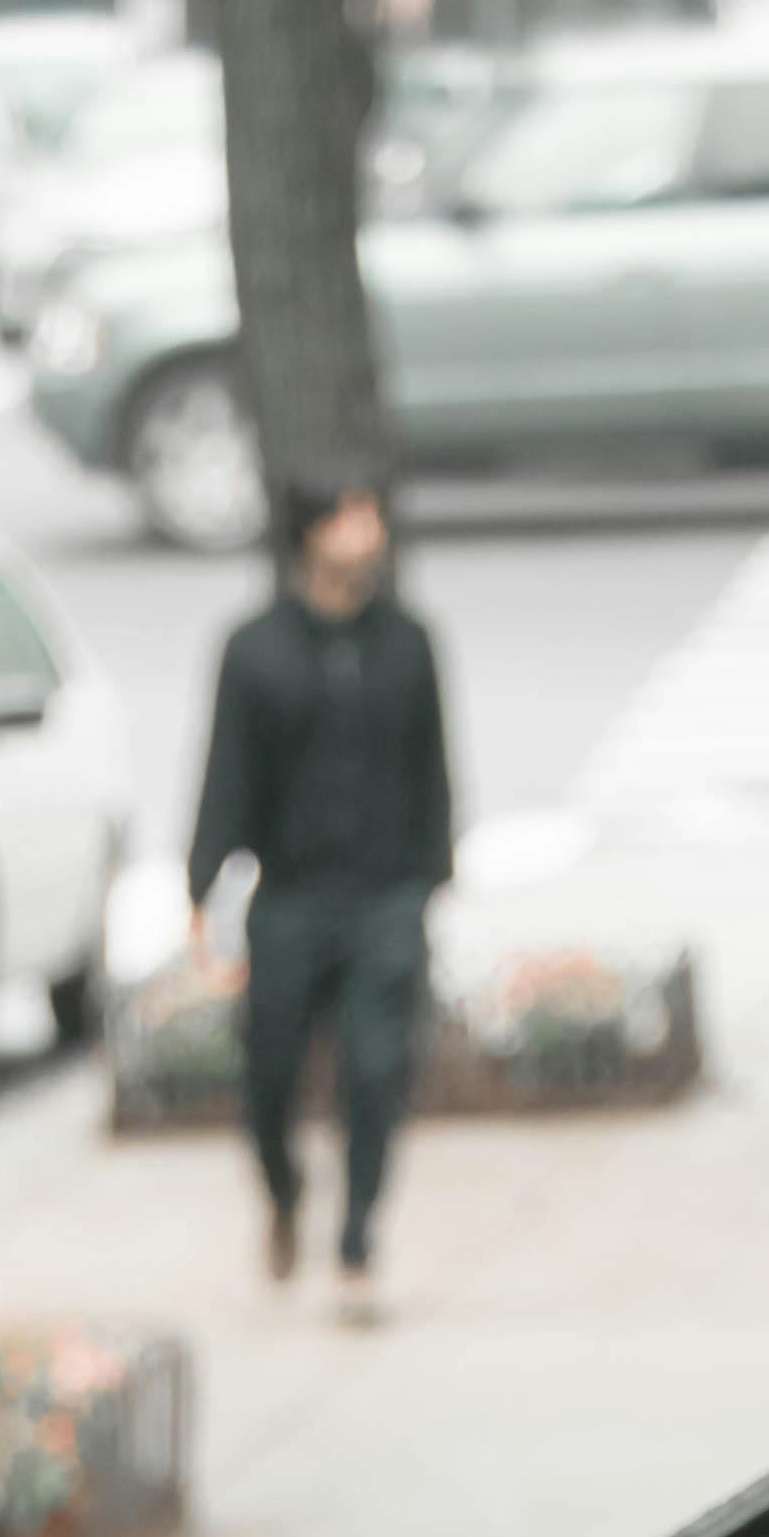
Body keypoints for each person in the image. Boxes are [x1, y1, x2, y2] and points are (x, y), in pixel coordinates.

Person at [186, 468, 458, 1317]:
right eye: (350, 513)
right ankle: (283, 1191)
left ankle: (356, 1239)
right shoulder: (256, 649)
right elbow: (225, 775)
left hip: (384, 893)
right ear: (309, 533)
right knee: (269, 1074)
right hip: (292, 898)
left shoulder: (408, 641)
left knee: (377, 1071)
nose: (367, 530)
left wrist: (430, 879)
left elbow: (435, 769)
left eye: (372, 511)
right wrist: (203, 890)